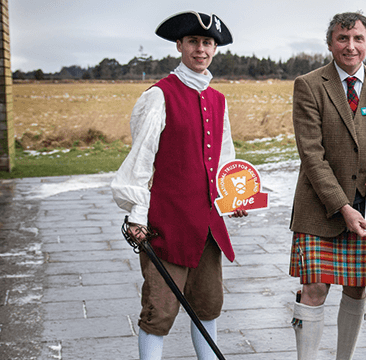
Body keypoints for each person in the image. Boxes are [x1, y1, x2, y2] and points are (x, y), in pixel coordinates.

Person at [111, 11, 247, 360]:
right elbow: (141, 160)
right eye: (193, 42)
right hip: (166, 225)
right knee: (159, 311)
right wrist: (137, 214)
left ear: (214, 49)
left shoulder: (218, 100)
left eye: (207, 43)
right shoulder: (159, 95)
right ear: (179, 45)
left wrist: (233, 198)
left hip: (206, 226)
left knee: (207, 306)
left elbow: (225, 157)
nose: (200, 49)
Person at [288, 11, 366, 360]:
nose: (351, 46)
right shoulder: (309, 85)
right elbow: (311, 156)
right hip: (321, 209)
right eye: (342, 39)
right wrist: (342, 206)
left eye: (358, 39)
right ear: (330, 44)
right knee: (313, 288)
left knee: (358, 289)